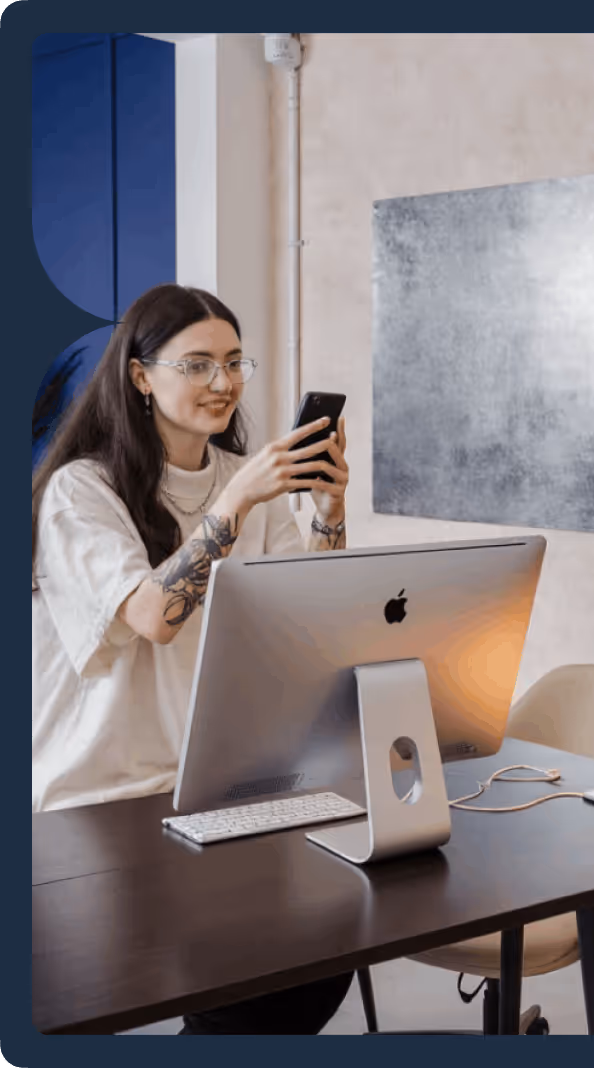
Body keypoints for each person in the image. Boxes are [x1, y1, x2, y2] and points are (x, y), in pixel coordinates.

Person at [32, 283, 355, 1034]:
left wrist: (329, 517)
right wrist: (235, 502)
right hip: (102, 800)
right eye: (199, 365)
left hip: (214, 786)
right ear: (141, 376)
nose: (225, 383)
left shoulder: (250, 482)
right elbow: (154, 616)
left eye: (236, 363)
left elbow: (306, 622)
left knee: (324, 948)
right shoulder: (83, 490)